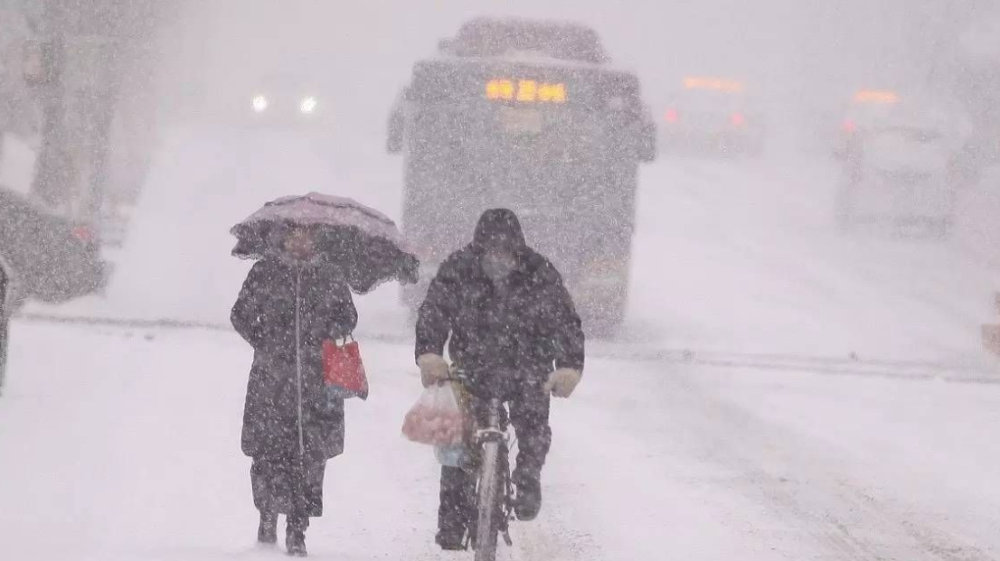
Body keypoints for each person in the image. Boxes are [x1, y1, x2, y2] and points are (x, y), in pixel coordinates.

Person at [414, 208, 585, 549]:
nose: (498, 255)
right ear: (479, 247)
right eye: (491, 248)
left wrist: (568, 366)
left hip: (527, 367)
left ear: (517, 247)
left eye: (504, 248)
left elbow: (565, 321)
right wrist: (430, 354)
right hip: (472, 367)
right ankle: (450, 519)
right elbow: (434, 311)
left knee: (533, 421)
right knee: (453, 437)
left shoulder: (540, 272)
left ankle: (529, 477)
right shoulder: (458, 268)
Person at [231, 226, 357, 557]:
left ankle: (298, 527)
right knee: (268, 449)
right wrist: (266, 340)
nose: (300, 241)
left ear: (316, 239)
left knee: (309, 454)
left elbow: (348, 317)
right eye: (294, 234)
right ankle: (267, 514)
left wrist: (326, 335)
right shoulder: (265, 272)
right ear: (282, 238)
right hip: (271, 380)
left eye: (307, 235)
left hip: (315, 382)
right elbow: (240, 313)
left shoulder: (330, 274)